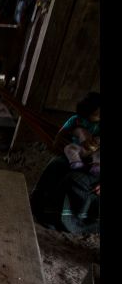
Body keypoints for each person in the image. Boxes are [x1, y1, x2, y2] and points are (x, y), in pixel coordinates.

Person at [30, 92, 101, 234]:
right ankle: (43, 209)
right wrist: (59, 143)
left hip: (96, 162)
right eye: (96, 113)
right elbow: (60, 136)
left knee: (74, 179)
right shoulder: (77, 120)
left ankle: (75, 222)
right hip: (79, 154)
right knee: (56, 165)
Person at [56, 92, 100, 176]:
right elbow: (63, 130)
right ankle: (76, 162)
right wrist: (56, 140)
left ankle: (96, 166)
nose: (99, 117)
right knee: (68, 148)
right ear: (87, 112)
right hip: (78, 148)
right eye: (96, 114)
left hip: (93, 149)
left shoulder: (98, 124)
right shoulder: (76, 119)